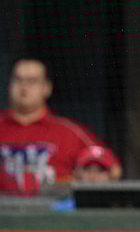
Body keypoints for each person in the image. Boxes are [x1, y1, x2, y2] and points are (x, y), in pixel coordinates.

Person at [0, 58, 114, 194]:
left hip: (56, 212)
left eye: (32, 81)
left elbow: (113, 169)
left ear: (46, 88)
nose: (24, 87)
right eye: (18, 80)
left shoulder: (68, 131)